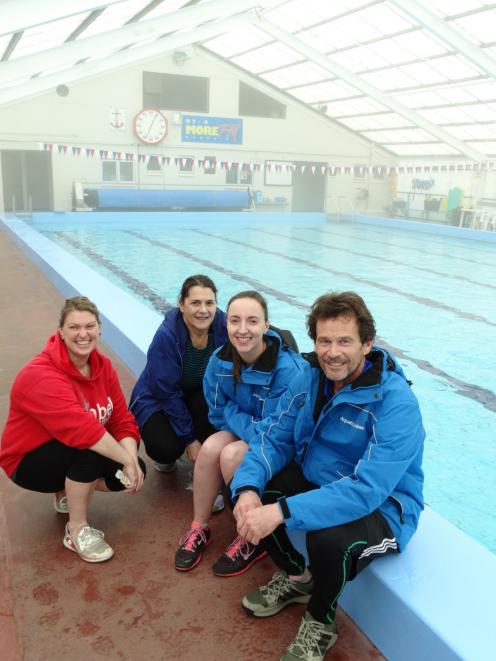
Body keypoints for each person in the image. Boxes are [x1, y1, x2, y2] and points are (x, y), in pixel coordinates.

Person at [231, 292, 425, 661]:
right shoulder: (311, 378)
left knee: (326, 539)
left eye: (344, 341)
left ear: (367, 343)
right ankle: (296, 579)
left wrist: (282, 511)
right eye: (324, 341)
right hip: (322, 481)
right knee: (247, 487)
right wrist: (246, 489)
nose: (332, 352)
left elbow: (366, 490)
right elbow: (274, 435)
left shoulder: (396, 403)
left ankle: (321, 621)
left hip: (385, 507)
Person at [0, 296, 146, 563]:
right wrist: (126, 459)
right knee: (88, 452)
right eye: (74, 327)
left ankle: (66, 492)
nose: (83, 334)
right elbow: (84, 432)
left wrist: (132, 461)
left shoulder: (102, 366)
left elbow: (120, 418)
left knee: (127, 474)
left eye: (89, 326)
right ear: (61, 332)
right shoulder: (41, 375)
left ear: (100, 328)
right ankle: (76, 529)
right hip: (25, 461)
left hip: (64, 446)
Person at [174, 290, 305, 577]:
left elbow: (275, 430)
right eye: (235, 321)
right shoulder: (219, 363)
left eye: (252, 321)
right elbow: (217, 413)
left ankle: (250, 538)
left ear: (266, 326)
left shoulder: (290, 371)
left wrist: (236, 415)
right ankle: (200, 526)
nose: (242, 330)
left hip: (283, 444)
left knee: (233, 454)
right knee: (210, 448)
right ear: (226, 325)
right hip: (252, 430)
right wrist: (241, 420)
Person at [129, 275, 228, 483]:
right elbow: (166, 392)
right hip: (159, 399)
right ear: (181, 305)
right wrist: (190, 439)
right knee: (165, 448)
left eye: (209, 303)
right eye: (195, 303)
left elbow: (253, 332)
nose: (203, 310)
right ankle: (179, 449)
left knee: (216, 400)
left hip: (197, 395)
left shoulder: (223, 325)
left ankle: (203, 457)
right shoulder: (166, 336)